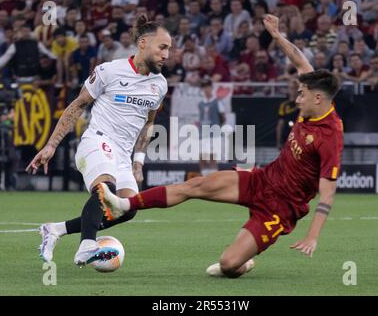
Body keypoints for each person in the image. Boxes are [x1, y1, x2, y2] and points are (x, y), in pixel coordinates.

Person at [98, 14, 344, 278]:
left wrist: (312, 237)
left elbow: (327, 194)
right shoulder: (314, 92)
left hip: (280, 209)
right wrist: (275, 34)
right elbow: (298, 58)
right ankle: (124, 205)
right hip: (263, 179)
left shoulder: (329, 137)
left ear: (318, 99)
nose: (296, 100)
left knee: (228, 265)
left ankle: (242, 262)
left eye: (301, 96)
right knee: (195, 185)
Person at [26, 15, 171, 266]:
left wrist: (138, 162)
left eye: (169, 49)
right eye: (163, 47)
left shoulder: (159, 85)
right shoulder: (109, 70)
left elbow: (149, 124)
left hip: (124, 156)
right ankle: (87, 246)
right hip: (97, 141)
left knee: (128, 209)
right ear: (143, 43)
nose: (167, 55)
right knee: (105, 190)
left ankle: (56, 229)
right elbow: (77, 106)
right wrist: (51, 145)